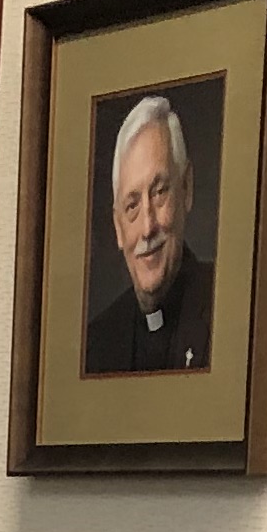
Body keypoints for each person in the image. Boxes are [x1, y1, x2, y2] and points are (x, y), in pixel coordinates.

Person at [82, 92, 212, 377]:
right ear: (118, 227)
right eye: (132, 205)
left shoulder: (225, 307)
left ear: (186, 189)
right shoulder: (95, 345)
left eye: (160, 192)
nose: (147, 227)